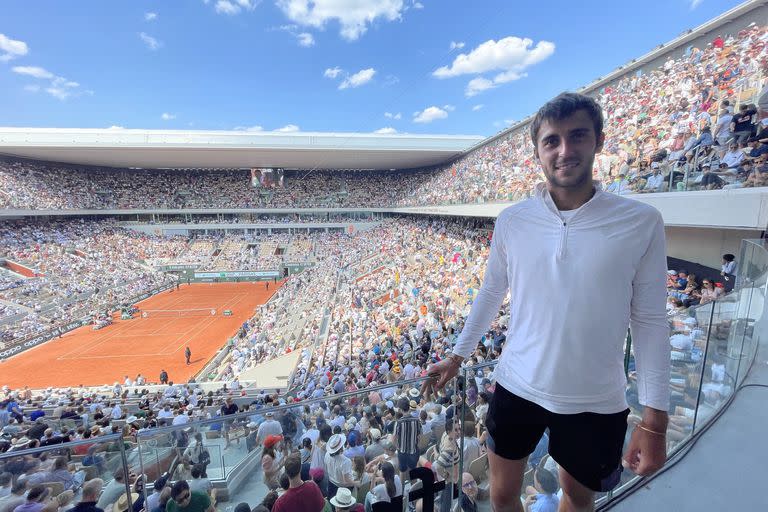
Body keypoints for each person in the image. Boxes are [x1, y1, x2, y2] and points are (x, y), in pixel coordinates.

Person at [425, 92, 670, 512]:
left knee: (577, 499)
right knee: (502, 497)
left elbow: (649, 321)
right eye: (552, 141)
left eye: (578, 136)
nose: (565, 150)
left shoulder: (641, 222)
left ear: (599, 141)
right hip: (516, 384)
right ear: (538, 152)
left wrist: (655, 422)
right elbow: (490, 292)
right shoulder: (512, 220)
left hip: (595, 398)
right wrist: (457, 355)